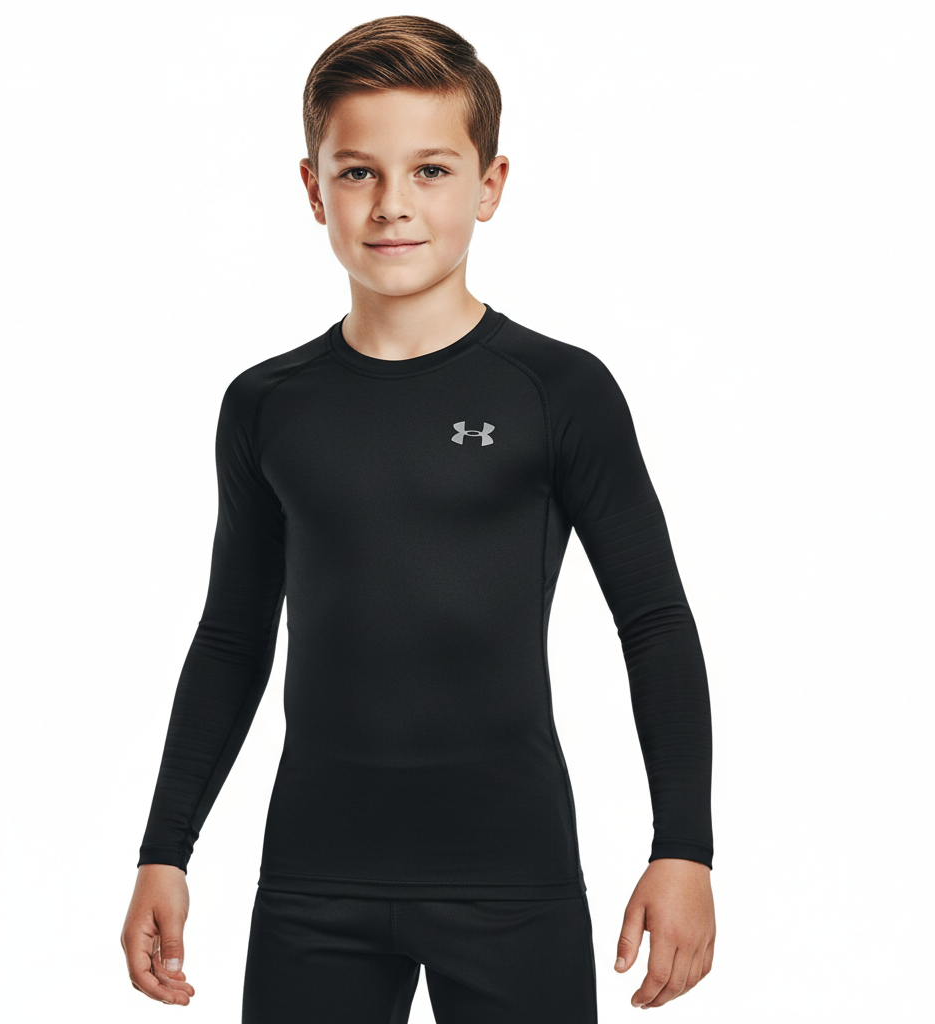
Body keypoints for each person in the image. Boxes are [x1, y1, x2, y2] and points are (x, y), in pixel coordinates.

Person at [120, 14, 716, 1022]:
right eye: (358, 172)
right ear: (313, 188)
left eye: (431, 170)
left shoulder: (559, 391)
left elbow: (653, 620)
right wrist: (163, 850)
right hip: (313, 882)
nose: (392, 203)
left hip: (512, 877)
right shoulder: (266, 404)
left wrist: (684, 849)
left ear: (490, 184)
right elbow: (231, 637)